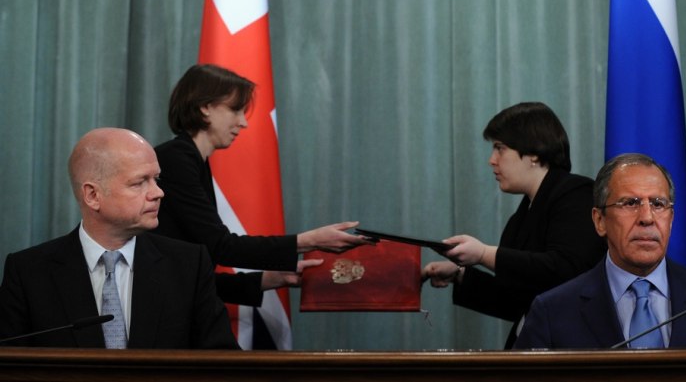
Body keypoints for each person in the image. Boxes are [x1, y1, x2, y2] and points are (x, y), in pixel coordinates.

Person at [153, 64, 373, 308]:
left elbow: (192, 274)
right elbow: (220, 247)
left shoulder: (191, 159)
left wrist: (274, 278)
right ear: (205, 108)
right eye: (236, 110)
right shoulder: (176, 158)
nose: (243, 122)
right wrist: (308, 241)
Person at [0, 128, 239, 349]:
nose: (158, 193)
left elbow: (222, 363)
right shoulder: (28, 273)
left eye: (156, 179)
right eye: (139, 182)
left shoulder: (189, 265)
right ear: (93, 195)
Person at [514, 153, 686, 349]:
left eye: (658, 204)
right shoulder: (553, 311)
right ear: (599, 221)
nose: (647, 218)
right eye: (630, 203)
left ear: (671, 220)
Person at [422, 102, 607, 348]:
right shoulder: (520, 218)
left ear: (533, 153)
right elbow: (516, 300)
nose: (491, 160)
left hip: (571, 355)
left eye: (500, 148)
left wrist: (484, 254)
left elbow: (566, 270)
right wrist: (460, 274)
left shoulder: (577, 194)